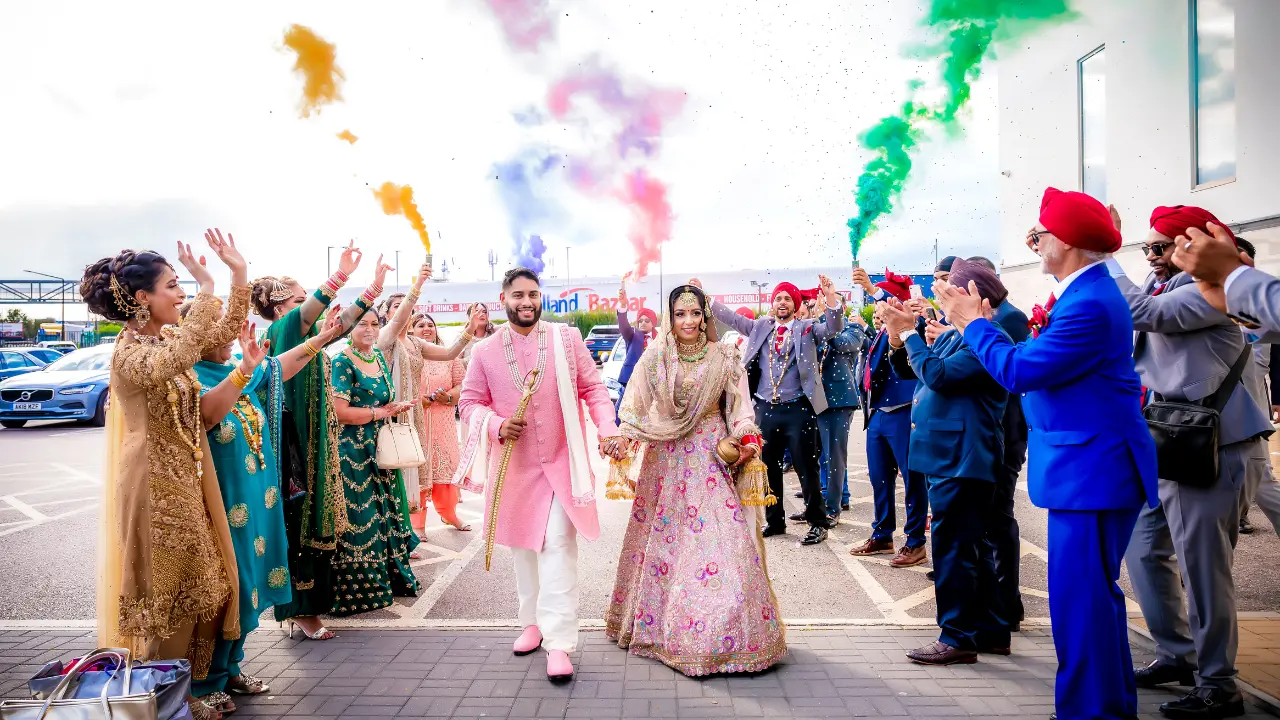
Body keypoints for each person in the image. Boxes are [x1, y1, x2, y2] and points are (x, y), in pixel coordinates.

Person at [935, 187, 1157, 720]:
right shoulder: (1086, 294)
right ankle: (1105, 706)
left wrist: (973, 323)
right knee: (1089, 603)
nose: (1036, 242)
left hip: (1094, 473)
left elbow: (1020, 371)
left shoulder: (1088, 302)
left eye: (1042, 234)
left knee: (1081, 605)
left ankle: (1090, 712)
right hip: (1090, 469)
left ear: (1071, 242)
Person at [1108, 204, 1269, 718]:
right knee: (1145, 549)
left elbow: (1141, 314)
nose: (1152, 256)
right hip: (1178, 444)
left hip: (1214, 448)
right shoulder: (1167, 286)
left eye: (1162, 247)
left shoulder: (1201, 289)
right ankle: (1178, 656)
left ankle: (1219, 684)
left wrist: (1100, 255)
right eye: (1146, 247)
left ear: (1192, 245)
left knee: (1204, 571)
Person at [87, 231, 252, 720]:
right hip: (151, 485)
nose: (180, 295)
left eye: (181, 287)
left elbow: (221, 335)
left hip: (185, 478)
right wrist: (205, 287)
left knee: (209, 585)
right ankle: (163, 698)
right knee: (169, 594)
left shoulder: (165, 340)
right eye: (172, 286)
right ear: (142, 299)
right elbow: (178, 357)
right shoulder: (132, 353)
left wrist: (236, 274)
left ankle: (186, 689)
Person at [604, 284, 786, 675]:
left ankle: (729, 636)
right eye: (680, 314)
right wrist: (623, 436)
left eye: (695, 313)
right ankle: (662, 631)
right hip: (665, 462)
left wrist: (747, 436)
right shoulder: (656, 357)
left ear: (705, 316)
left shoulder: (725, 356)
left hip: (708, 459)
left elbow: (740, 408)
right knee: (666, 550)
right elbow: (634, 407)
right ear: (671, 318)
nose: (688, 322)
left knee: (726, 544)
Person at [455, 267, 622, 680]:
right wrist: (495, 424)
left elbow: (593, 389)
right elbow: (470, 402)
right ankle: (530, 621)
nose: (526, 301)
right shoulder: (485, 352)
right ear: (503, 299)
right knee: (525, 546)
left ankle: (559, 641)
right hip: (515, 467)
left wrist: (608, 430)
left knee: (557, 545)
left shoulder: (566, 339)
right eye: (518, 295)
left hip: (564, 462)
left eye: (532, 294)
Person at [188, 315, 342, 715]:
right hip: (222, 505)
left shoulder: (238, 369)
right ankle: (206, 681)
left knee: (253, 583)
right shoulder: (190, 380)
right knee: (230, 587)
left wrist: (324, 337)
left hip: (260, 503)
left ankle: (232, 668)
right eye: (221, 334)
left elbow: (282, 366)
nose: (232, 341)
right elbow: (207, 418)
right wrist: (243, 369)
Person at [880, 259, 1011, 666]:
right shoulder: (962, 334)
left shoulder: (986, 337)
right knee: (972, 548)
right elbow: (915, 369)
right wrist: (899, 337)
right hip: (953, 457)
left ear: (974, 297)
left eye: (949, 290)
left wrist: (907, 332)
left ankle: (957, 636)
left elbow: (936, 375)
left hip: (963, 458)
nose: (941, 296)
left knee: (954, 551)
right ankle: (990, 631)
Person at [252, 241, 374, 641]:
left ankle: (308, 607)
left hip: (312, 443)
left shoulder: (302, 336)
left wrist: (371, 290)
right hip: (293, 446)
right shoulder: (279, 329)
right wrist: (340, 275)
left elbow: (342, 325)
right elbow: (314, 314)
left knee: (313, 522)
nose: (311, 307)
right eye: (301, 301)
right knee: (299, 523)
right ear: (278, 306)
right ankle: (301, 612)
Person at [694, 276, 845, 546]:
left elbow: (834, 327)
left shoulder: (807, 328)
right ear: (772, 304)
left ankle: (817, 522)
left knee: (806, 467)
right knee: (769, 467)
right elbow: (729, 317)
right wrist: (704, 295)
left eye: (787, 298)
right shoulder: (760, 327)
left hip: (799, 409)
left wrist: (831, 299)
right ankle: (776, 521)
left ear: (796, 305)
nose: (782, 302)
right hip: (765, 408)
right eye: (778, 298)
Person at [329, 308, 425, 615]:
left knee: (387, 511)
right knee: (362, 516)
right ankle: (362, 591)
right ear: (349, 328)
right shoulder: (342, 361)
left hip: (381, 447)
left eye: (374, 324)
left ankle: (391, 577)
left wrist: (395, 408)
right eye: (363, 324)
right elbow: (339, 411)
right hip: (353, 452)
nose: (370, 329)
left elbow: (382, 402)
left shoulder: (378, 358)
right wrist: (380, 413)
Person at [377, 269, 483, 542]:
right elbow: (401, 318)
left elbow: (449, 353)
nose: (406, 312)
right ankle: (402, 529)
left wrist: (470, 328)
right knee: (395, 469)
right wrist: (419, 284)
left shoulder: (414, 342)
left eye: (408, 307)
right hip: (392, 414)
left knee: (417, 471)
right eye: (398, 308)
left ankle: (412, 529)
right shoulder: (385, 340)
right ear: (387, 314)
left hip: (415, 418)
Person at [848, 268, 929, 568]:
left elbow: (894, 302)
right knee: (879, 478)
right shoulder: (883, 329)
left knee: (912, 480)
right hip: (878, 414)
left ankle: (915, 541)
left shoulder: (911, 325)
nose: (880, 308)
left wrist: (872, 288)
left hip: (903, 411)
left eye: (884, 302)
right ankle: (882, 534)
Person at [412, 312, 472, 532]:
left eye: (430, 325)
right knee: (417, 471)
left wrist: (447, 397)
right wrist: (421, 401)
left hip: (443, 423)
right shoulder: (409, 356)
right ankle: (418, 525)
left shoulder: (449, 357)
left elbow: (462, 384)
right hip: (416, 422)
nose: (427, 328)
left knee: (445, 472)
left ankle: (449, 514)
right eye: (420, 325)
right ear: (411, 330)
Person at [815, 295, 861, 518]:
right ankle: (820, 502)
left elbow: (842, 343)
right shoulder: (816, 328)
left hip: (839, 401)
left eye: (830, 304)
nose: (824, 306)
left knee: (834, 456)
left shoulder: (853, 329)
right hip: (815, 399)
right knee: (817, 456)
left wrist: (828, 319)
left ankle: (833, 507)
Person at [614, 280, 658, 424]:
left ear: (653, 323)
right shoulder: (633, 335)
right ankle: (614, 436)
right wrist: (622, 305)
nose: (643, 323)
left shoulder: (660, 338)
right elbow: (623, 325)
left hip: (653, 383)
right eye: (640, 321)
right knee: (620, 411)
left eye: (647, 320)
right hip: (631, 381)